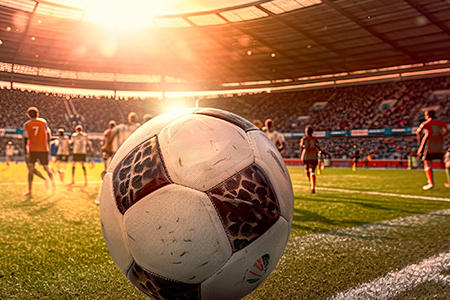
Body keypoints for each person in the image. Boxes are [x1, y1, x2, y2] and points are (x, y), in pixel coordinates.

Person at [22, 107, 55, 195]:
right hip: (43, 148)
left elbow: (25, 139)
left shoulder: (26, 124)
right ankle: (53, 185)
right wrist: (47, 144)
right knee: (47, 168)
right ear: (38, 114)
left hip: (32, 149)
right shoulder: (43, 122)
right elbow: (48, 133)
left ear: (28, 115)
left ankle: (29, 190)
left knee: (30, 169)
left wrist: (26, 152)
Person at [416, 110, 448, 190]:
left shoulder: (426, 124)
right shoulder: (441, 123)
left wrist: (419, 143)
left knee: (427, 163)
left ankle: (431, 183)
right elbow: (446, 131)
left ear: (427, 115)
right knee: (445, 164)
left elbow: (418, 132)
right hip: (440, 145)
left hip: (429, 146)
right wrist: (441, 136)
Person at [300, 125, 327, 194]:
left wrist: (301, 155)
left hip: (307, 156)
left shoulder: (304, 139)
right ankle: (313, 186)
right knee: (312, 171)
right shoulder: (314, 139)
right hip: (314, 156)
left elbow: (302, 147)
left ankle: (311, 184)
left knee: (307, 170)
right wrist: (321, 151)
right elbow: (317, 146)